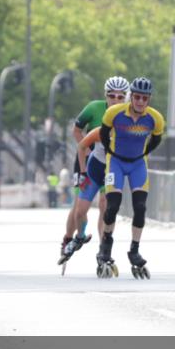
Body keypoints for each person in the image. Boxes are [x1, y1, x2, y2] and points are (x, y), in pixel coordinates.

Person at [95, 77, 165, 279]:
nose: (140, 102)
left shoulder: (155, 118)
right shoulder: (113, 113)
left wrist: (141, 154)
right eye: (137, 98)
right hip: (115, 162)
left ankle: (134, 249)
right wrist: (111, 153)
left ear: (148, 99)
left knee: (140, 207)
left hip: (138, 164)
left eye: (144, 98)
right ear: (131, 97)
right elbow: (103, 133)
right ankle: (106, 245)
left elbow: (156, 140)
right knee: (113, 206)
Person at [59, 76, 130, 266]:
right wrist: (88, 149)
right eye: (111, 96)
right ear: (105, 95)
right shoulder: (93, 107)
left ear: (126, 98)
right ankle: (69, 237)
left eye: (120, 97)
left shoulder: (130, 114)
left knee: (105, 205)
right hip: (86, 160)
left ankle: (103, 249)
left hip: (110, 164)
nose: (115, 100)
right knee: (78, 207)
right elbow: (76, 130)